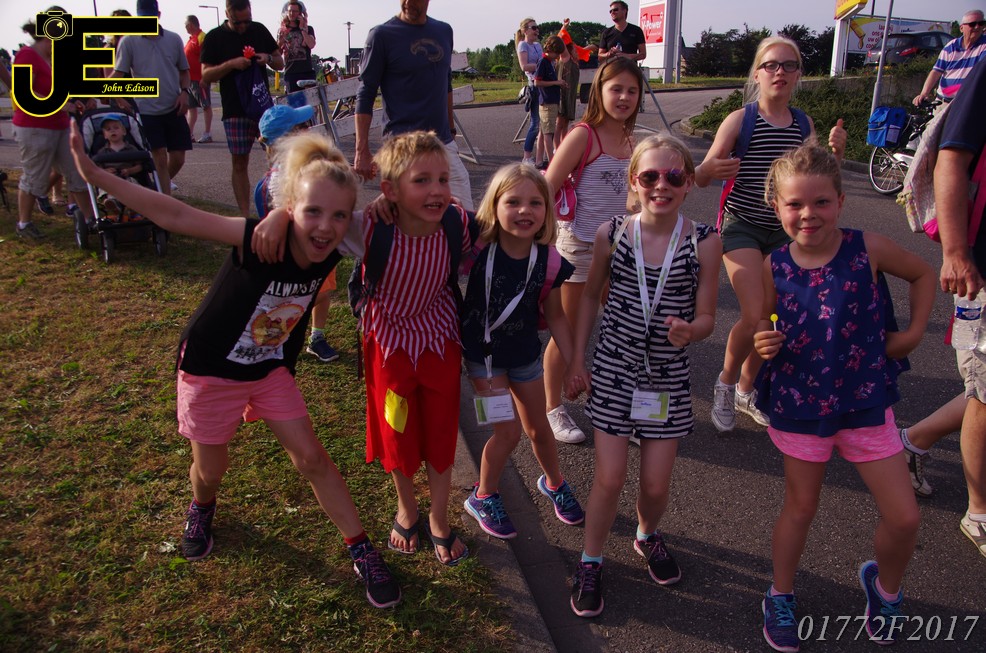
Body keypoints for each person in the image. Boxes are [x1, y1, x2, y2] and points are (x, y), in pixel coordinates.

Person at [67, 122, 402, 609]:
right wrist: (97, 175)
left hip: (268, 371)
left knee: (312, 458)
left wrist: (389, 202)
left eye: (338, 216)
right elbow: (175, 214)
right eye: (311, 211)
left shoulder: (338, 239)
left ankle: (361, 548)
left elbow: (403, 217)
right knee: (211, 469)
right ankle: (201, 505)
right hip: (210, 370)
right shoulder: (256, 238)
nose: (325, 227)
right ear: (290, 206)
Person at [252, 130, 475, 565]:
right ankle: (407, 507)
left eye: (443, 179)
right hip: (389, 348)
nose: (436, 190)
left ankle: (439, 517)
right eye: (421, 180)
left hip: (440, 343)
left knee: (441, 429)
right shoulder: (367, 227)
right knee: (396, 428)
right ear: (389, 190)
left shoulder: (457, 223)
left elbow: (505, 223)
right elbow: (314, 220)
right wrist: (280, 215)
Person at [753, 144, 935, 649]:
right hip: (801, 405)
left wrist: (913, 333)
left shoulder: (867, 247)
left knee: (904, 516)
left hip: (865, 402)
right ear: (777, 206)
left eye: (821, 202)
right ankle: (779, 594)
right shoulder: (774, 265)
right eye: (795, 204)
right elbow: (765, 320)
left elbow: (923, 274)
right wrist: (764, 339)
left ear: (840, 201)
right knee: (800, 507)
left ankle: (885, 590)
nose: (808, 214)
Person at [566, 134, 722, 618]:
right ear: (634, 181)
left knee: (655, 484)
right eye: (650, 176)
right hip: (615, 368)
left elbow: (708, 315)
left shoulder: (704, 242)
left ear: (689, 182)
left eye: (673, 176)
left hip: (665, 377)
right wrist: (577, 359)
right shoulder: (611, 233)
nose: (661, 185)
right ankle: (590, 561)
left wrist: (692, 330)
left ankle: (646, 535)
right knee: (609, 477)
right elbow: (589, 296)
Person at [694, 36, 847, 433]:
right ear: (758, 74)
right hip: (741, 225)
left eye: (789, 65)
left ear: (798, 75)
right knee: (754, 313)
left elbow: (819, 177)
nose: (780, 72)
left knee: (776, 318)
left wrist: (836, 154)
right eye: (771, 65)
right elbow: (700, 177)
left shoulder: (803, 124)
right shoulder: (740, 120)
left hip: (784, 231)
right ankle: (725, 383)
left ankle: (745, 390)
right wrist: (712, 169)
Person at [460, 163, 585, 540]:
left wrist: (574, 363)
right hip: (484, 363)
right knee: (508, 431)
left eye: (535, 203)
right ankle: (483, 495)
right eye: (512, 202)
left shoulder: (550, 262)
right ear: (494, 206)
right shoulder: (479, 246)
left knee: (539, 429)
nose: (524, 210)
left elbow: (556, 316)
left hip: (526, 358)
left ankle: (554, 482)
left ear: (547, 210)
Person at [542, 57, 645, 445]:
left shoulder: (634, 140)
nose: (624, 97)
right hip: (580, 247)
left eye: (632, 90)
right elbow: (547, 186)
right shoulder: (584, 136)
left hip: (621, 249)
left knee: (626, 331)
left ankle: (619, 408)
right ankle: (553, 407)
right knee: (567, 332)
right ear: (599, 91)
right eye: (616, 89)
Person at [935, 56, 986, 558]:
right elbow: (951, 156)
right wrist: (955, 251)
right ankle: (979, 511)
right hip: (982, 269)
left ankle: (913, 441)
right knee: (985, 389)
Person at [354, 0, 473, 210]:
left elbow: (446, 83)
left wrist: (451, 127)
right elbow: (366, 92)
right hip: (402, 148)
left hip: (442, 143)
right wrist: (361, 151)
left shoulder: (444, 31)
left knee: (464, 215)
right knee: (407, 218)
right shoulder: (381, 35)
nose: (407, 2)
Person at [254, 104, 341, 363]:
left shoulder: (312, 169)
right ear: (288, 139)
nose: (308, 130)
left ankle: (316, 336)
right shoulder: (274, 183)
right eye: (302, 127)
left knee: (323, 292)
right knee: (299, 297)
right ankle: (280, 335)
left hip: (317, 246)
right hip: (294, 254)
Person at [10, 6, 96, 240]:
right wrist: (58, 104)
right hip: (34, 127)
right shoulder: (27, 56)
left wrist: (79, 99)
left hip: (60, 126)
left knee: (77, 172)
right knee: (34, 177)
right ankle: (24, 224)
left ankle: (91, 221)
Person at [201, 0, 284, 217]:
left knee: (278, 158)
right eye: (238, 23)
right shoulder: (214, 37)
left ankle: (279, 211)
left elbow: (279, 62)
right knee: (239, 161)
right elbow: (205, 75)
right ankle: (245, 216)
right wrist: (231, 64)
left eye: (247, 20)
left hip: (262, 107)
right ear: (227, 14)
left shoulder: (258, 30)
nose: (244, 26)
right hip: (234, 109)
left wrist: (267, 58)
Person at [110, 0, 193, 197]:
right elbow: (116, 75)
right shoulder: (128, 41)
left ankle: (155, 189)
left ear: (158, 15)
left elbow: (184, 72)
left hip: (173, 107)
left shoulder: (173, 39)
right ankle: (165, 202)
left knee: (178, 158)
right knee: (160, 158)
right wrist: (118, 97)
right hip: (146, 110)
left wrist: (184, 92)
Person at [913, 9, 986, 106]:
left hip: (966, 104)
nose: (977, 27)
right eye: (972, 24)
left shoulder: (984, 46)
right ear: (961, 28)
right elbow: (936, 71)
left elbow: (980, 73)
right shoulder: (951, 46)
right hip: (943, 102)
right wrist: (924, 93)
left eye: (981, 23)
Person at [94, 114, 146, 219]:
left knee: (134, 188)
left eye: (116, 128)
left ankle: (134, 209)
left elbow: (140, 166)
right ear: (104, 135)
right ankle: (112, 205)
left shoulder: (131, 149)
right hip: (110, 179)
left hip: (128, 177)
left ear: (124, 131)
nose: (112, 131)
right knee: (107, 188)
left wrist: (130, 170)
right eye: (108, 129)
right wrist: (105, 171)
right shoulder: (102, 152)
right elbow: (97, 168)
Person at [534, 36, 568, 167]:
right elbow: (537, 82)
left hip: (550, 101)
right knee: (548, 133)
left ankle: (539, 160)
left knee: (543, 132)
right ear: (551, 50)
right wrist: (556, 82)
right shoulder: (543, 62)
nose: (558, 57)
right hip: (547, 102)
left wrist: (558, 83)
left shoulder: (549, 62)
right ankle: (552, 162)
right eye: (557, 53)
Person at [516, 17, 545, 167]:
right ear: (525, 31)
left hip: (543, 84)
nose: (536, 30)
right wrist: (542, 65)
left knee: (544, 123)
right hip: (534, 85)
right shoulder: (523, 45)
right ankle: (526, 157)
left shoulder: (538, 45)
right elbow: (524, 66)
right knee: (535, 123)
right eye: (533, 28)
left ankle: (540, 156)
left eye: (537, 27)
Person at [184, 15, 214, 144]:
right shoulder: (191, 39)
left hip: (199, 79)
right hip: (190, 81)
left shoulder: (202, 37)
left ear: (191, 25)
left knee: (205, 105)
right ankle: (189, 134)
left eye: (186, 25)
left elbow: (207, 58)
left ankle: (207, 133)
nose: (185, 27)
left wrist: (205, 77)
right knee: (191, 108)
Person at [277, 1, 317, 93]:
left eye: (295, 11)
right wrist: (281, 40)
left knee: (311, 99)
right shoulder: (283, 30)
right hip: (290, 73)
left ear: (300, 13)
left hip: (307, 72)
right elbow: (278, 53)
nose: (292, 13)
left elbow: (311, 44)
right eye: (290, 11)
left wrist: (302, 28)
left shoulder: (308, 29)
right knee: (293, 101)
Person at [555, 30, 582, 147]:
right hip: (563, 95)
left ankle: (563, 146)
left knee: (565, 123)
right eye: (574, 50)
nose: (576, 52)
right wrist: (564, 27)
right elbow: (560, 42)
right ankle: (556, 149)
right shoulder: (565, 59)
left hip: (570, 96)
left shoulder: (575, 63)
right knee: (559, 124)